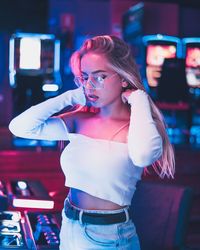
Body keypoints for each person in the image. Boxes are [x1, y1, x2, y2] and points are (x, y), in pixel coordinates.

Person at [9, 35, 175, 250]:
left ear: (123, 78)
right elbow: (20, 127)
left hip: (108, 236)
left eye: (100, 76)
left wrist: (139, 98)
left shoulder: (140, 126)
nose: (90, 85)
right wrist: (71, 96)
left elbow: (144, 155)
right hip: (69, 224)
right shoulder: (80, 120)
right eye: (85, 77)